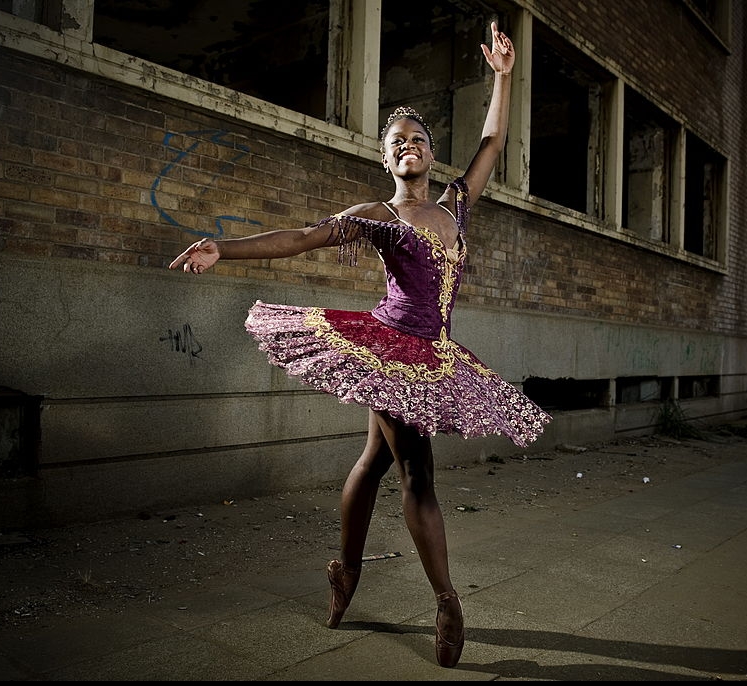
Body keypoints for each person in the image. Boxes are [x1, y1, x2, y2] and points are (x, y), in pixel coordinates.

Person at [169, 22, 549, 668]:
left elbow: (491, 141)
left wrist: (504, 76)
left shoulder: (457, 206)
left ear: (431, 155)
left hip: (436, 351)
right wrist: (222, 247)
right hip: (390, 347)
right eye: (396, 142)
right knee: (416, 472)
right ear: (385, 160)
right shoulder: (380, 215)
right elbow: (302, 236)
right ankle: (448, 601)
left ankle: (344, 570)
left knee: (375, 460)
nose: (408, 146)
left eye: (418, 139)